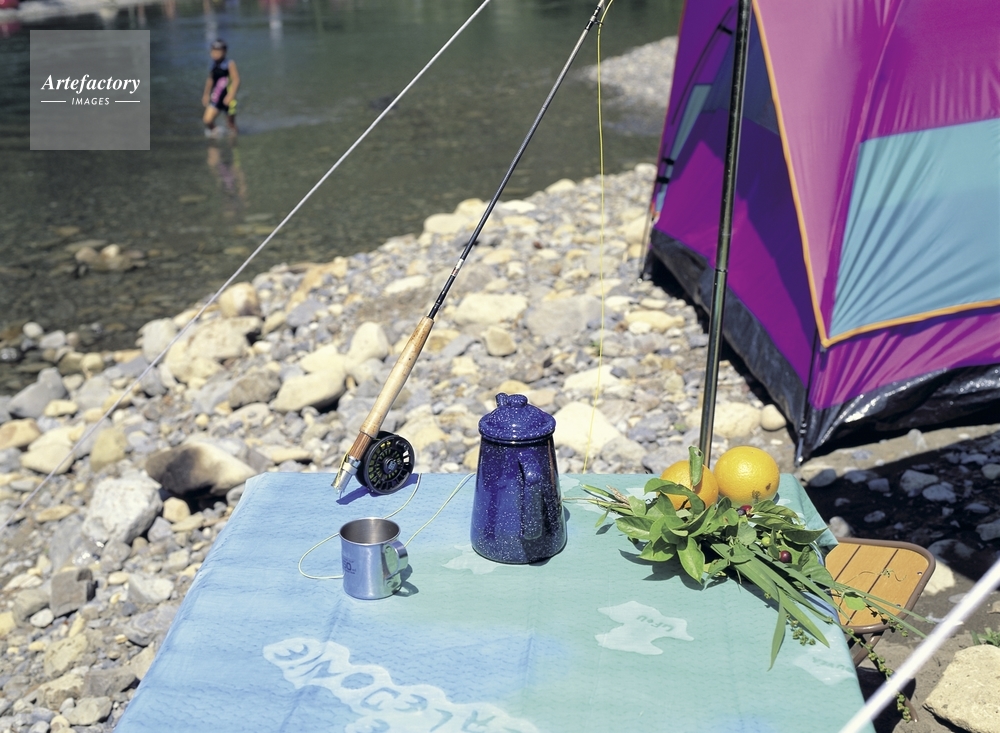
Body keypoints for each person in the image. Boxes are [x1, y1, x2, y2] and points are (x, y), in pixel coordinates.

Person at [202, 39, 240, 137]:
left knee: (230, 124)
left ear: (224, 52)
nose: (215, 54)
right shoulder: (213, 64)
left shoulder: (229, 64)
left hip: (228, 97)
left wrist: (231, 95)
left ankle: (234, 141)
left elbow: (236, 80)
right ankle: (217, 134)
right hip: (217, 96)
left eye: (218, 51)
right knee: (207, 120)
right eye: (213, 51)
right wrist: (206, 94)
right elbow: (210, 79)